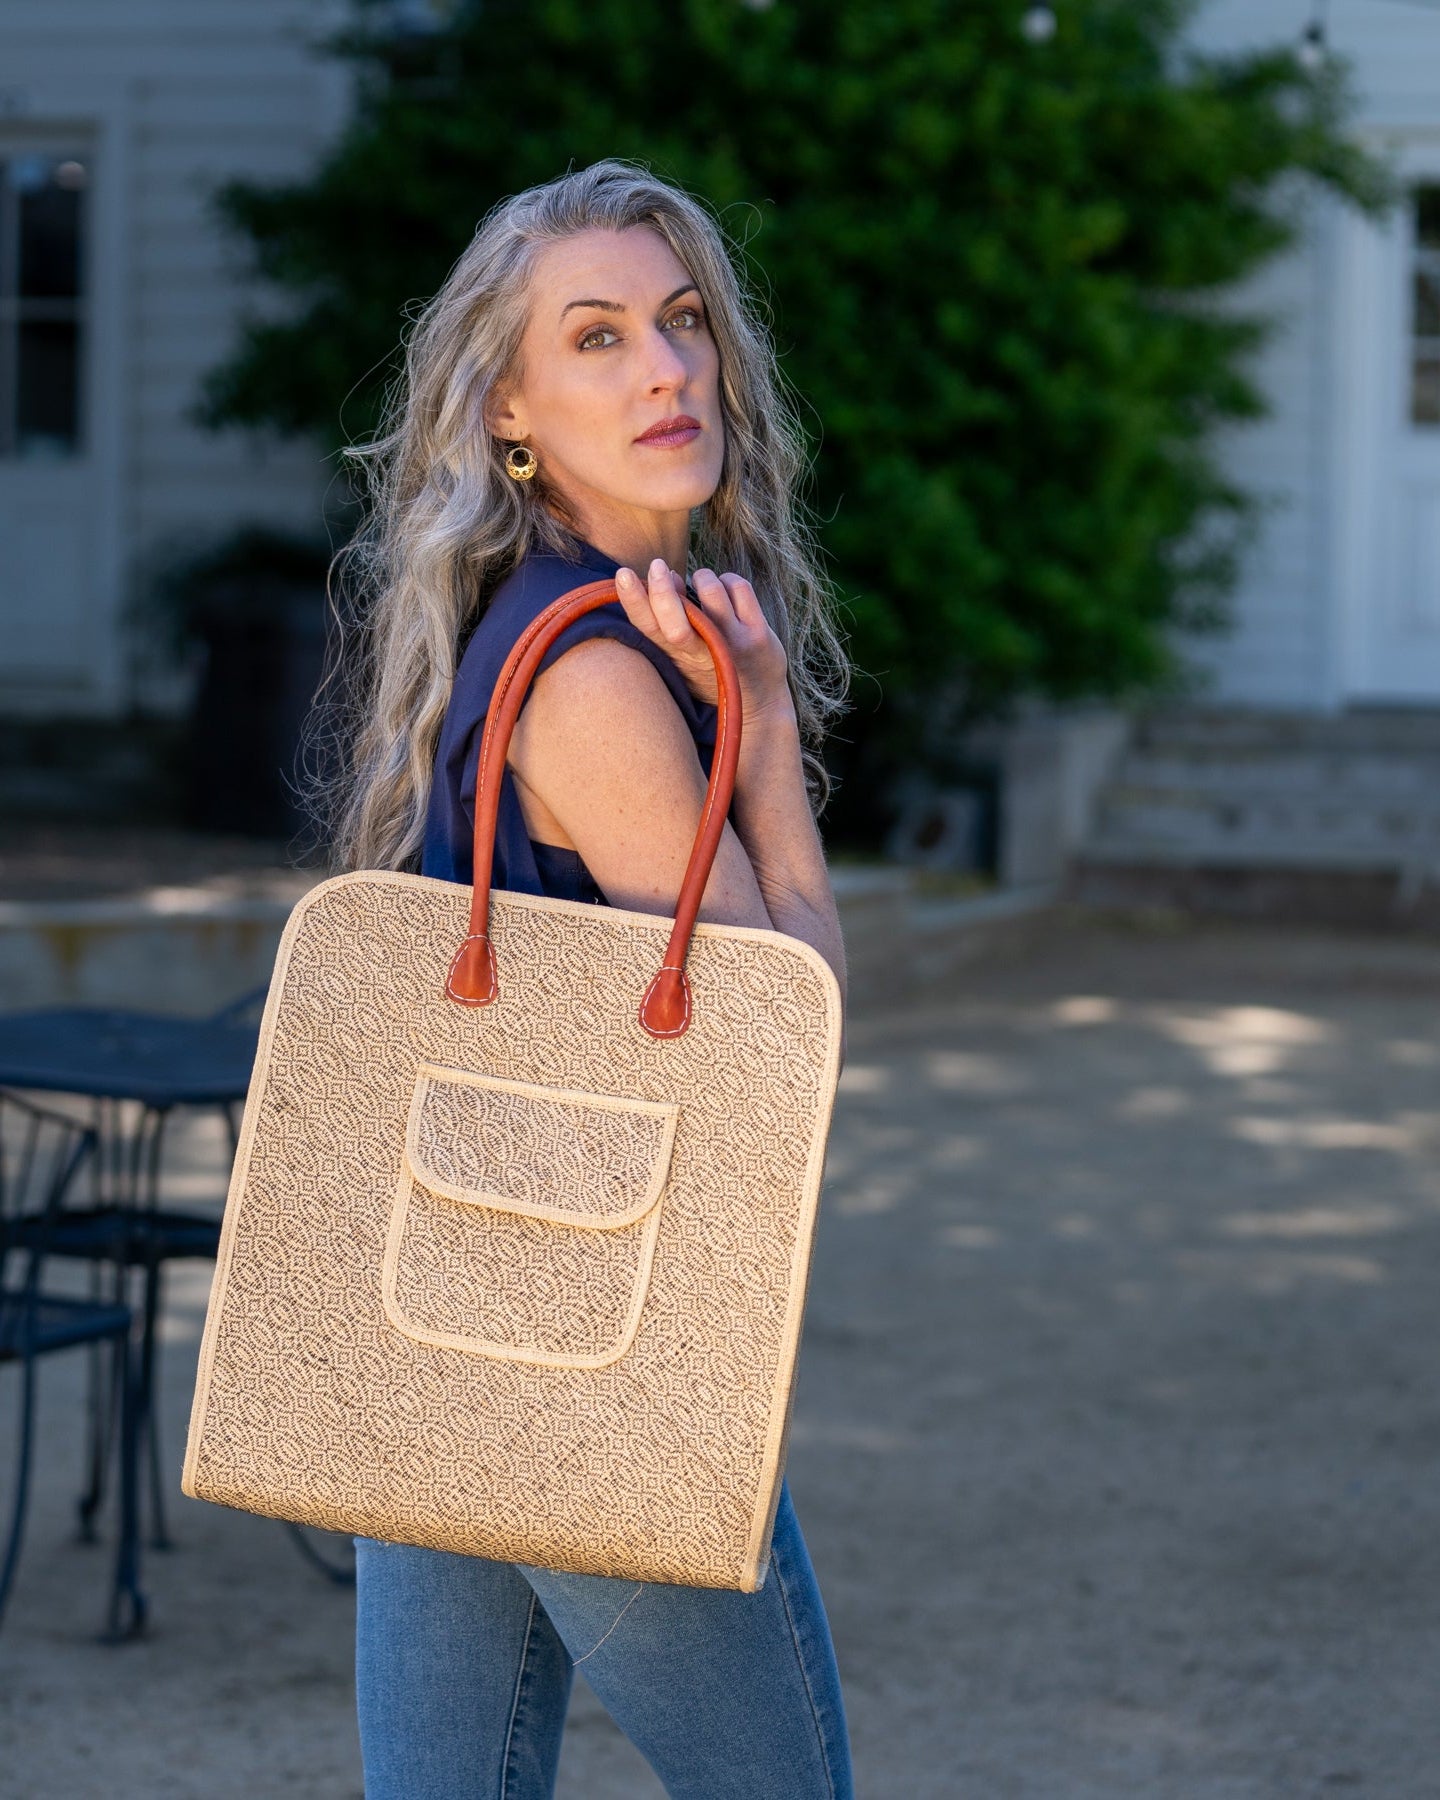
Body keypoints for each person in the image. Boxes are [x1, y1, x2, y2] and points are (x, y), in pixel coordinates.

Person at [324, 158, 854, 1800]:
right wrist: (768, 737)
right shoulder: (602, 681)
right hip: (582, 1348)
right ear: (511, 410)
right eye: (600, 337)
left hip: (443, 1321)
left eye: (682, 323)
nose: (666, 370)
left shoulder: (539, 622)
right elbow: (780, 1045)